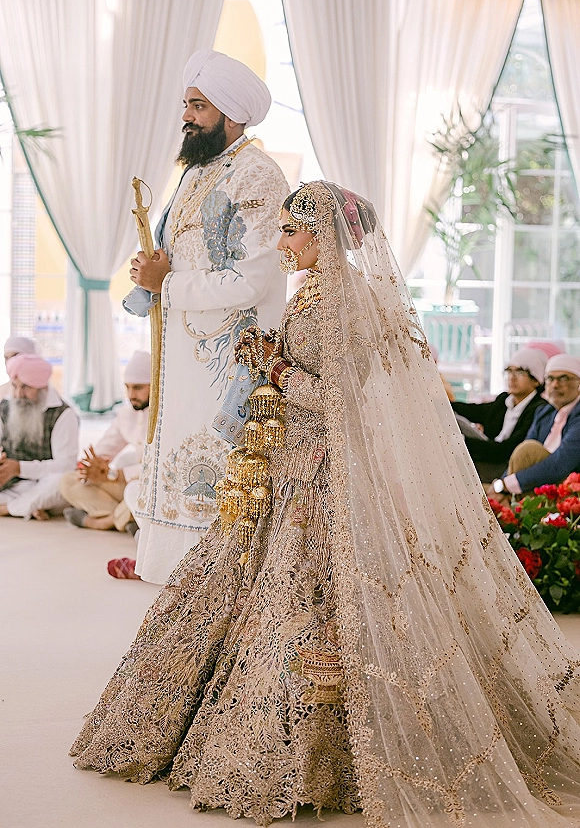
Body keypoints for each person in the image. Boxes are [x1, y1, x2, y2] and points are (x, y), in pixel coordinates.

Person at [71, 182, 580, 827]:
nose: (282, 244)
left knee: (295, 598)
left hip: (307, 478)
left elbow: (314, 402)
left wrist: (265, 363)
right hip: (321, 471)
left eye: (291, 231)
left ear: (321, 234)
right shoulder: (360, 297)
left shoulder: (323, 301)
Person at [127, 49, 289, 585]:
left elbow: (251, 281)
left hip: (232, 362)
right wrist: (157, 270)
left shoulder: (259, 176)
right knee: (175, 469)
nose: (187, 116)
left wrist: (166, 283)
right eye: (186, 104)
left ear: (231, 111)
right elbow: (185, 257)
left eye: (197, 105)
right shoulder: (197, 174)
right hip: (183, 357)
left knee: (219, 483)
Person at [59, 351, 150, 533]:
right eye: (127, 387)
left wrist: (115, 475)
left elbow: (159, 469)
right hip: (127, 487)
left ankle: (103, 521)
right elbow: (103, 450)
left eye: (138, 388)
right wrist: (90, 469)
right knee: (68, 481)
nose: (131, 394)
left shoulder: (166, 418)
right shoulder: (126, 414)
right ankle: (128, 518)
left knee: (141, 492)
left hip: (148, 484)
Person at [490, 353, 580, 502]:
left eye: (563, 378)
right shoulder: (545, 412)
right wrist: (501, 484)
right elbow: (518, 456)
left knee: (529, 450)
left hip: (566, 491)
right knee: (473, 493)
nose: (555, 385)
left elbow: (560, 465)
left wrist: (505, 485)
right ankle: (507, 505)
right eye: (550, 378)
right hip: (533, 487)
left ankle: (508, 508)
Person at [452, 347, 547, 484]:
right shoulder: (504, 400)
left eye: (520, 372)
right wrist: (441, 403)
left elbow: (506, 450)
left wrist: (462, 441)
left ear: (536, 380)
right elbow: (475, 411)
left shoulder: (539, 409)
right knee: (455, 418)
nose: (512, 377)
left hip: (506, 466)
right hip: (490, 453)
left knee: (455, 468)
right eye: (509, 371)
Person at [0, 353, 78, 520]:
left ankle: (10, 508)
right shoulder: (5, 406)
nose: (19, 394)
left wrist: (20, 468)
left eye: (26, 387)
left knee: (63, 482)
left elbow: (65, 465)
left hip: (44, 483)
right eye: (15, 386)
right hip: (12, 485)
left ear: (43, 387)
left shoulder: (63, 414)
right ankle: (30, 507)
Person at [0, 335, 38, 399]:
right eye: (6, 358)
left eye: (15, 357)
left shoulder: (44, 394)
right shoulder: (2, 392)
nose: (10, 362)